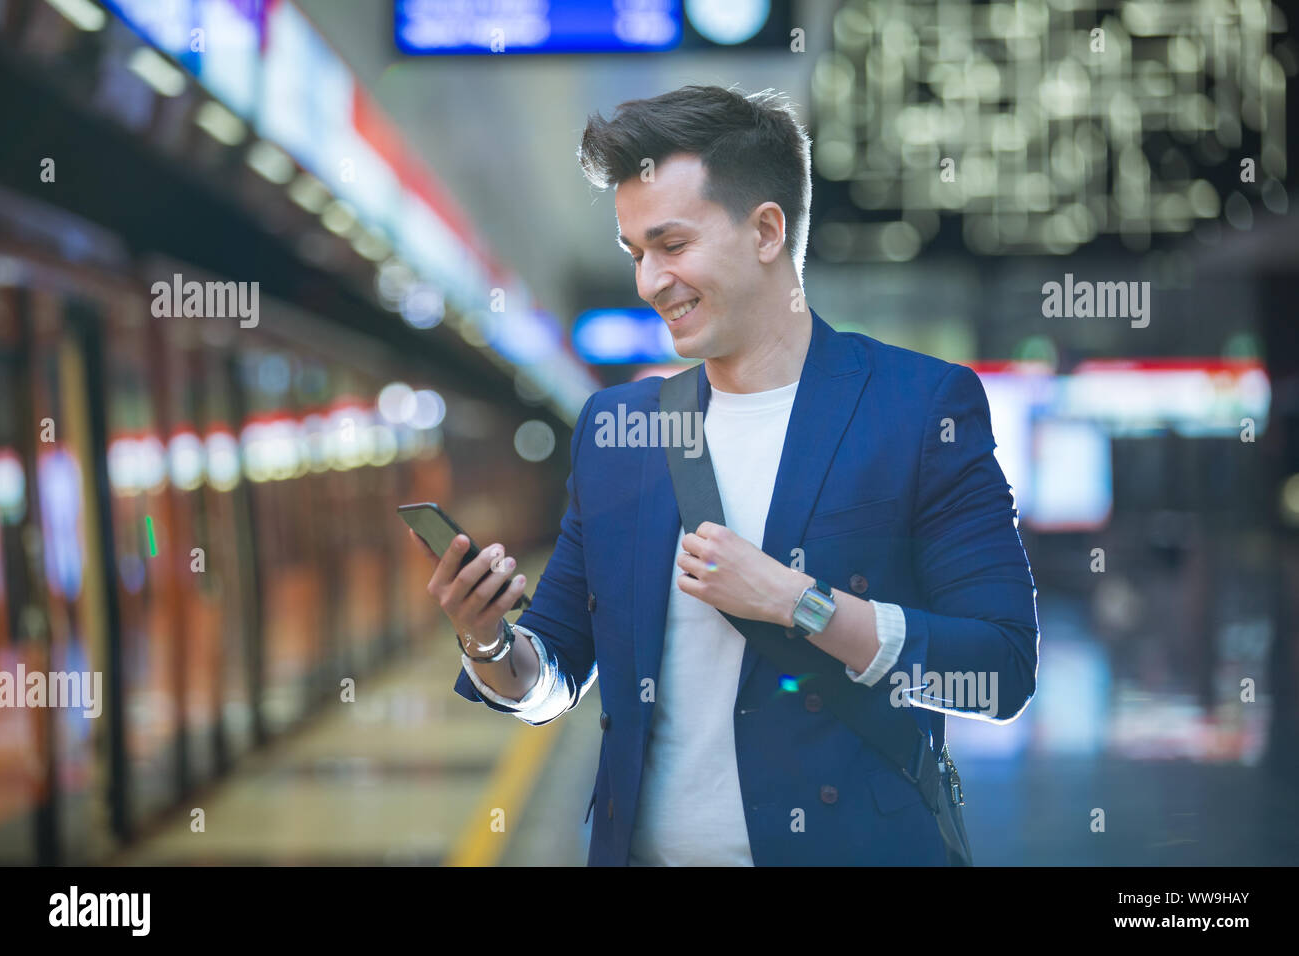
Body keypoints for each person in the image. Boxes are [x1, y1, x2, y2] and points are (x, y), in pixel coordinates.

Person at [414, 84, 1040, 866]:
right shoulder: (619, 431)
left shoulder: (918, 409)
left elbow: (1001, 671)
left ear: (767, 230)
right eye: (635, 254)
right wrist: (487, 645)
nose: (648, 282)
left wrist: (800, 605)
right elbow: (555, 676)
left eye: (672, 246)